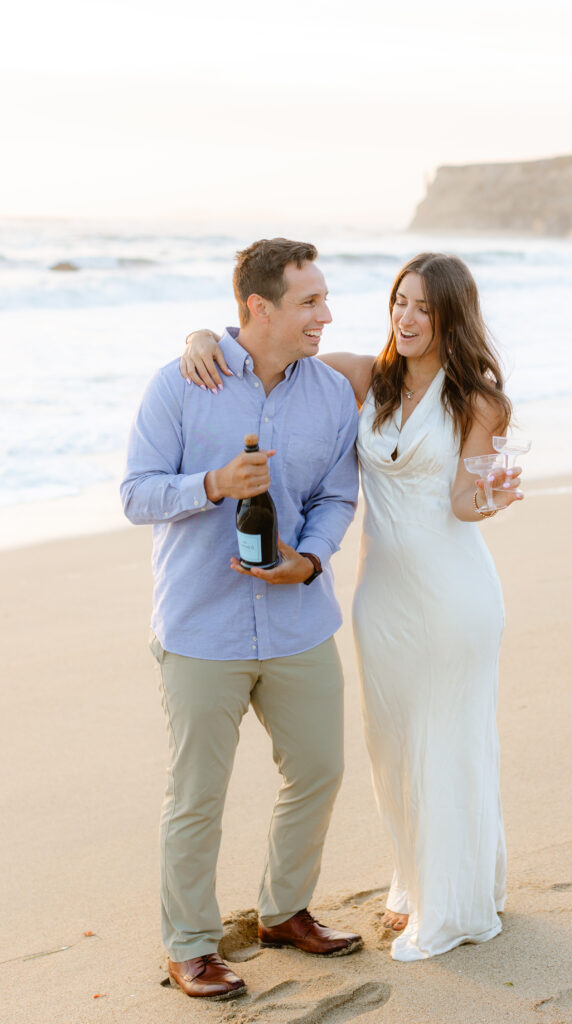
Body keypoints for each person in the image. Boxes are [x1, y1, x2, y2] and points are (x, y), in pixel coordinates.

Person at [181, 252, 523, 961]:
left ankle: (451, 901)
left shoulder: (477, 400)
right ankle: (415, 879)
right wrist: (202, 339)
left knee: (446, 739)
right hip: (383, 597)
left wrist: (493, 497)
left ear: (452, 315)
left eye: (424, 307)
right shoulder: (365, 376)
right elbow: (265, 352)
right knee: (393, 744)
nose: (406, 317)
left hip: (453, 595)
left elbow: (463, 503)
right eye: (400, 300)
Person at [121, 238, 363, 1002]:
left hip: (298, 621)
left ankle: (283, 910)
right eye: (309, 302)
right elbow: (135, 494)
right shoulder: (181, 383)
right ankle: (190, 945)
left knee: (318, 769)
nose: (325, 315)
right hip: (202, 629)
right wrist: (213, 483)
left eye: (323, 299)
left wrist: (311, 560)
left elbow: (336, 497)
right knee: (197, 793)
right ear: (258, 308)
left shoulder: (328, 392)